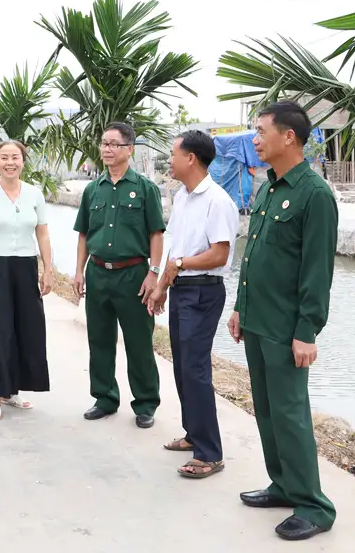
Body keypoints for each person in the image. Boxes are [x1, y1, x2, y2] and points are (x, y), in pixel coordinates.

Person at [227, 100, 338, 542]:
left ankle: (314, 505)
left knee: (290, 415)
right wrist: (240, 307)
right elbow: (253, 257)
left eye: (260, 131)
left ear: (287, 136)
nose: (255, 139)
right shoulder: (267, 188)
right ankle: (283, 485)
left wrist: (307, 330)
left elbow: (317, 272)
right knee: (268, 412)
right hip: (258, 320)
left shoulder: (315, 195)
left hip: (287, 328)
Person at [144, 130, 239, 479]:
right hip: (182, 288)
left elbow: (219, 253)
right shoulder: (182, 197)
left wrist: (180, 265)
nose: (168, 161)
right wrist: (163, 286)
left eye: (172, 154)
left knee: (196, 370)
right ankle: (193, 434)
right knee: (182, 365)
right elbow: (176, 247)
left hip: (203, 290)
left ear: (191, 159)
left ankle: (210, 453)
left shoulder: (218, 201)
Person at [73, 121, 166, 428]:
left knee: (138, 341)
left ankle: (145, 403)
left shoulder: (144, 189)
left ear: (130, 150)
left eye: (114, 144)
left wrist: (153, 273)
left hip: (134, 274)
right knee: (99, 339)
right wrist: (78, 272)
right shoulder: (92, 189)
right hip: (98, 273)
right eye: (104, 143)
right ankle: (104, 398)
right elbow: (84, 234)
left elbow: (156, 233)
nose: (107, 149)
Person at [0, 140, 55, 422]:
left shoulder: (33, 194)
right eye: (4, 157)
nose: (10, 162)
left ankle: (12, 389)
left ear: (23, 161)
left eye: (15, 157)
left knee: (27, 328)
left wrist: (47, 269)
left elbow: (42, 233)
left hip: (26, 265)